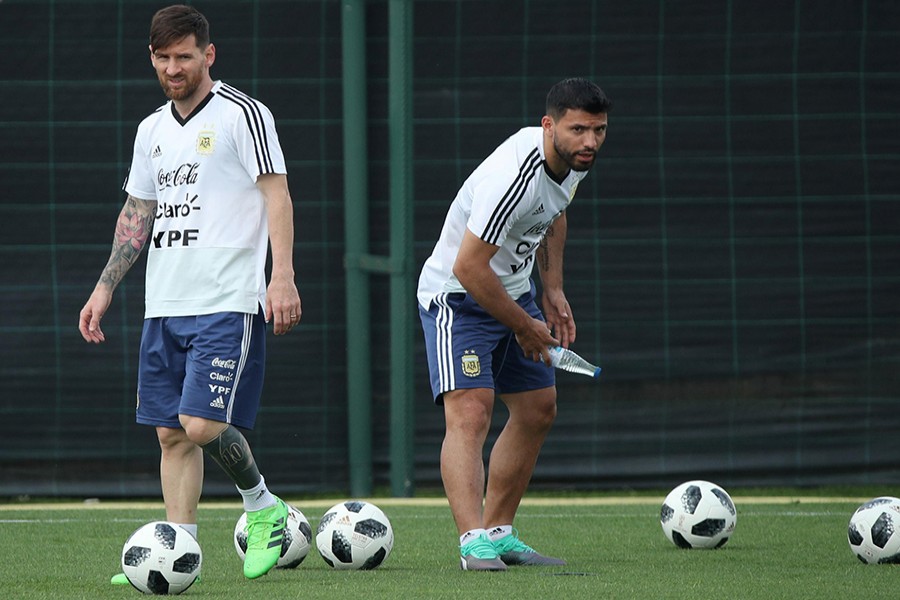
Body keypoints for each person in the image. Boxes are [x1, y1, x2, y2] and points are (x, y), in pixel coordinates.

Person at [77, 4, 301, 582]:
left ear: (208, 54)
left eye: (184, 56)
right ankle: (182, 557)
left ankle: (263, 505)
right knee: (171, 437)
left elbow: (277, 196)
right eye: (163, 57)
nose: (174, 68)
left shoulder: (243, 115)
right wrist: (104, 288)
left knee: (200, 425)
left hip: (228, 298)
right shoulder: (150, 130)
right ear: (152, 58)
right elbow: (137, 214)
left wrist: (282, 276)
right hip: (165, 304)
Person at [416, 78, 611, 571]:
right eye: (579, 129)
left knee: (538, 409)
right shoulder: (513, 176)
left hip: (514, 292)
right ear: (550, 125)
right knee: (471, 413)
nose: (590, 141)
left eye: (599, 130)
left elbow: (554, 213)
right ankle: (472, 542)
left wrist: (553, 289)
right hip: (457, 298)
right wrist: (525, 325)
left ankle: (500, 533)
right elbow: (468, 267)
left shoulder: (571, 163)